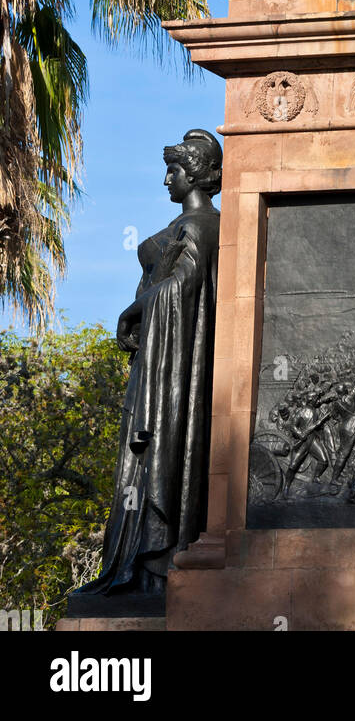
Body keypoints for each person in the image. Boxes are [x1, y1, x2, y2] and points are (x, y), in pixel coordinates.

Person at [75, 129, 222, 600]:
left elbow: (184, 285)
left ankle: (149, 567)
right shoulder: (187, 227)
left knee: (155, 460)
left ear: (194, 174)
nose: (166, 180)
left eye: (173, 171)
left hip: (172, 372)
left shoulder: (200, 227)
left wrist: (134, 309)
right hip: (156, 361)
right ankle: (134, 567)